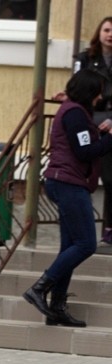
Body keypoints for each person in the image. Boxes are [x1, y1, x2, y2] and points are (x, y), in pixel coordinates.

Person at [23, 70, 112, 327]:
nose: (100, 97)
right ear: (88, 91)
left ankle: (57, 307)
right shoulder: (74, 114)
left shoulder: (75, 112)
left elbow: (81, 144)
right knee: (86, 244)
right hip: (68, 184)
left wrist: (101, 134)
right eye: (98, 92)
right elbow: (84, 152)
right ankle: (40, 288)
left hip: (65, 182)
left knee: (69, 247)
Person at [74, 17, 112, 245]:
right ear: (99, 32)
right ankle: (81, 228)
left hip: (110, 122)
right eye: (107, 30)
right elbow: (76, 85)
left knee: (109, 178)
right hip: (89, 120)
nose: (110, 34)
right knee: (82, 174)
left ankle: (108, 228)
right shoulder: (86, 58)